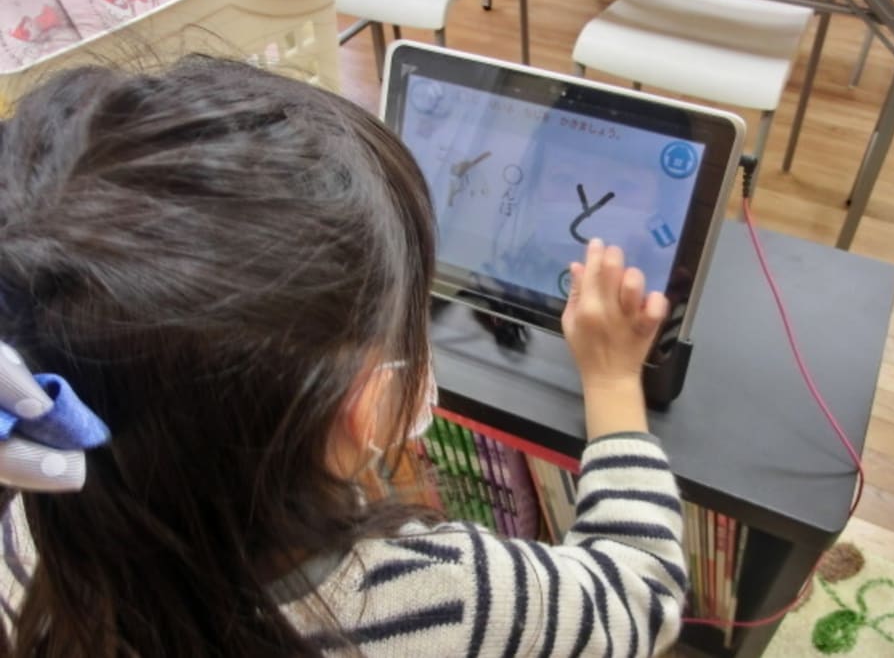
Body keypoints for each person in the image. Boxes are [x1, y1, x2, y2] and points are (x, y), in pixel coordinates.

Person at [0, 56, 686, 657]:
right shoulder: (452, 599)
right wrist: (612, 379)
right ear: (365, 410)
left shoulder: (31, 535)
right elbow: (641, 593)